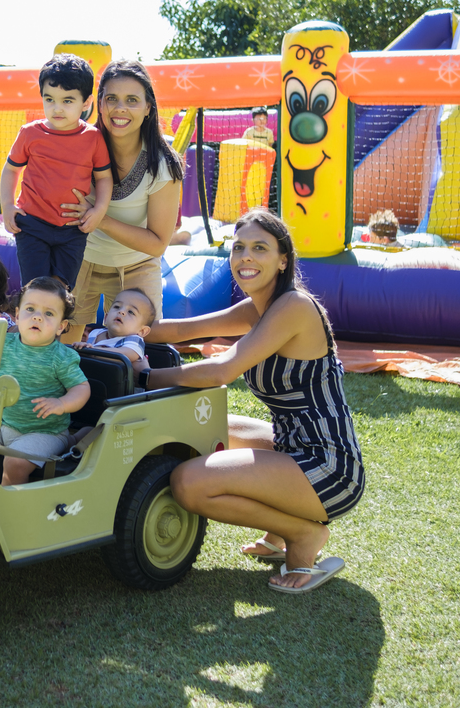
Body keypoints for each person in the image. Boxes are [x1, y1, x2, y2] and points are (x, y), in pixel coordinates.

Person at [141, 208, 365, 594]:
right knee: (196, 426)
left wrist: (142, 377)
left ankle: (301, 533)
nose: (245, 256)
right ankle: (281, 531)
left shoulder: (294, 307)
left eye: (259, 248)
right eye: (239, 247)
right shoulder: (256, 309)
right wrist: (115, 332)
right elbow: (181, 329)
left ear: (282, 260)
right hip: (291, 442)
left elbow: (219, 371)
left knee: (189, 483)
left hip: (329, 467)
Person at [58, 60, 184, 342]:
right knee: (61, 349)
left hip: (137, 265)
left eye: (132, 100)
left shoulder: (162, 163)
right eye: (112, 98)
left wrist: (100, 218)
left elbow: (158, 242)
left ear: (148, 107)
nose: (120, 108)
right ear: (99, 104)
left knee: (138, 348)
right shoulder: (77, 146)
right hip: (80, 259)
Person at [0, 54, 113, 290]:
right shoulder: (30, 133)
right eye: (49, 99)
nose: (56, 108)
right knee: (34, 288)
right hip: (31, 225)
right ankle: (27, 325)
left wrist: (99, 210)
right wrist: (8, 206)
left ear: (86, 103)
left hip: (73, 228)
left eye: (67, 101)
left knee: (61, 290)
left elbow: (103, 177)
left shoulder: (93, 138)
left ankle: (55, 327)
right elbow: (11, 170)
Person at [0, 277, 91, 486]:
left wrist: (62, 404)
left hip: (46, 431)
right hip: (3, 422)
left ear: (60, 327)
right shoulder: (4, 343)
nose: (37, 318)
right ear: (17, 316)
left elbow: (82, 388)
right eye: (30, 309)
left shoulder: (61, 357)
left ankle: (10, 514)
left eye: (48, 313)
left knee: (15, 463)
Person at [71, 287, 154, 367]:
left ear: (142, 331)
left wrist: (92, 351)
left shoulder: (135, 341)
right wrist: (81, 348)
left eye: (131, 312)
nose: (121, 311)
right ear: (106, 318)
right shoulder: (95, 333)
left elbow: (124, 355)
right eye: (117, 307)